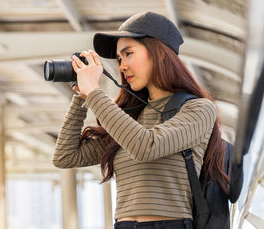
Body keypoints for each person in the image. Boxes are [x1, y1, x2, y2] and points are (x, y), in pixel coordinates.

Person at [52, 12, 229, 229]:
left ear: (160, 53)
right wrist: (81, 97)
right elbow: (65, 157)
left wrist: (94, 93)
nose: (122, 66)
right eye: (118, 59)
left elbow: (146, 146)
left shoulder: (198, 108)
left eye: (128, 54)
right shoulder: (129, 118)